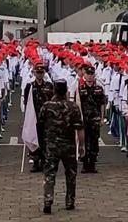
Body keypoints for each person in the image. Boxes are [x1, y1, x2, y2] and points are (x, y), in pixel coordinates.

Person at [39, 80, 84, 214]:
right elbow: (80, 128)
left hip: (51, 145)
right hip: (68, 145)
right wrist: (81, 145)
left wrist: (42, 144)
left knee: (49, 174)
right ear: (65, 91)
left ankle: (48, 200)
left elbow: (40, 126)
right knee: (71, 174)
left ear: (54, 91)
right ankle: (70, 201)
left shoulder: (47, 106)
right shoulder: (73, 107)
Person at [23, 64, 53, 172]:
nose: (40, 74)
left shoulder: (49, 86)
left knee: (45, 141)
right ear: (34, 73)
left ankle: (45, 162)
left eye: (41, 72)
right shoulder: (30, 86)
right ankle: (36, 162)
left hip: (46, 118)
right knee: (34, 138)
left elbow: (52, 101)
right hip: (34, 117)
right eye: (38, 72)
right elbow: (26, 102)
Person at [78, 65, 105, 173]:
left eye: (91, 74)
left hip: (95, 119)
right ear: (84, 75)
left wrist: (102, 118)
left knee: (94, 141)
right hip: (84, 119)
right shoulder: (80, 88)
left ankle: (92, 164)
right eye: (87, 74)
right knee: (84, 141)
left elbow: (102, 104)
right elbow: (77, 105)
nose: (89, 76)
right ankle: (85, 164)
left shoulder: (98, 89)